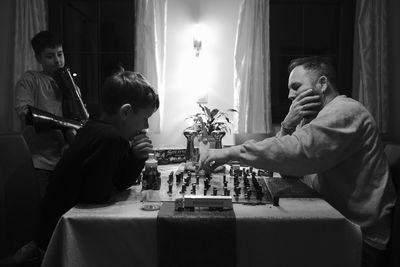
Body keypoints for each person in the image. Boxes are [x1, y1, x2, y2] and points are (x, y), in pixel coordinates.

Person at [200, 56, 397, 267]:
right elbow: (287, 168)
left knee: (264, 247)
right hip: (336, 223)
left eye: (295, 86)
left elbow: (297, 152)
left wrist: (230, 153)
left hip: (359, 238)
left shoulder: (345, 111)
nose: (289, 95)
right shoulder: (314, 118)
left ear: (322, 84)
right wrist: (287, 125)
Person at [2, 70, 159, 265]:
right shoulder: (109, 138)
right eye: (145, 118)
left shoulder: (95, 129)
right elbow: (96, 196)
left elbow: (119, 182)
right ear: (125, 112)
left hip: (49, 227)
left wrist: (136, 158)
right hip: (60, 236)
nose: (145, 126)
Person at [14, 30, 79, 198]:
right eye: (50, 56)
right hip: (40, 162)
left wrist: (70, 138)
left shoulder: (70, 83)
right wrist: (65, 125)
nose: (57, 61)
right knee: (45, 212)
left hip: (66, 161)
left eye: (60, 54)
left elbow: (78, 119)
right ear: (38, 58)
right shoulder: (30, 79)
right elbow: (24, 112)